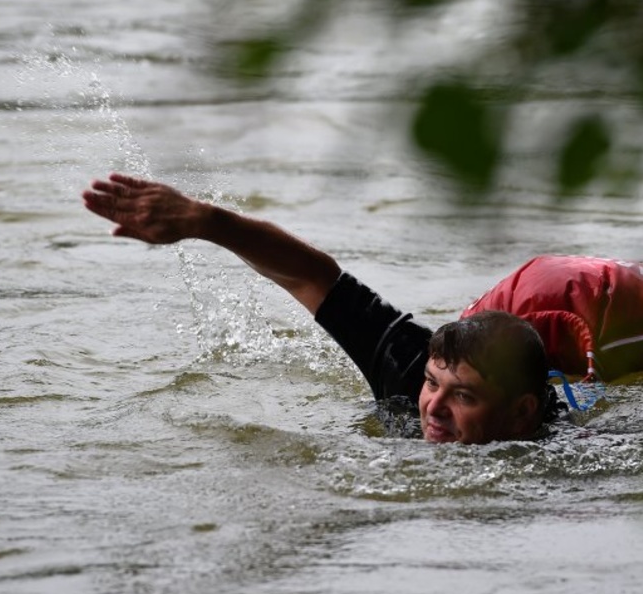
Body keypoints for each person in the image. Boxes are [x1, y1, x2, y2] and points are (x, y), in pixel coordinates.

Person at [82, 173, 556, 444]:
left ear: (521, 414)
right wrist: (207, 222)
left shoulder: (564, 450)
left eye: (464, 397)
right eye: (435, 384)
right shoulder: (408, 370)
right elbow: (312, 276)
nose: (433, 407)